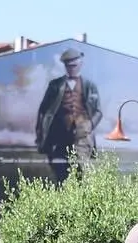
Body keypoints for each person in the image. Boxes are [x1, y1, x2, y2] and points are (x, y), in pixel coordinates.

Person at [35, 49, 102, 185]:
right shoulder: (55, 85)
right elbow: (43, 110)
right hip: (59, 135)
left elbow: (98, 111)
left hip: (82, 135)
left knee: (83, 172)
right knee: (60, 171)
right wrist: (41, 135)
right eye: (68, 66)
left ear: (80, 65)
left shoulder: (90, 85)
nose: (71, 69)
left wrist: (89, 125)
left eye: (74, 66)